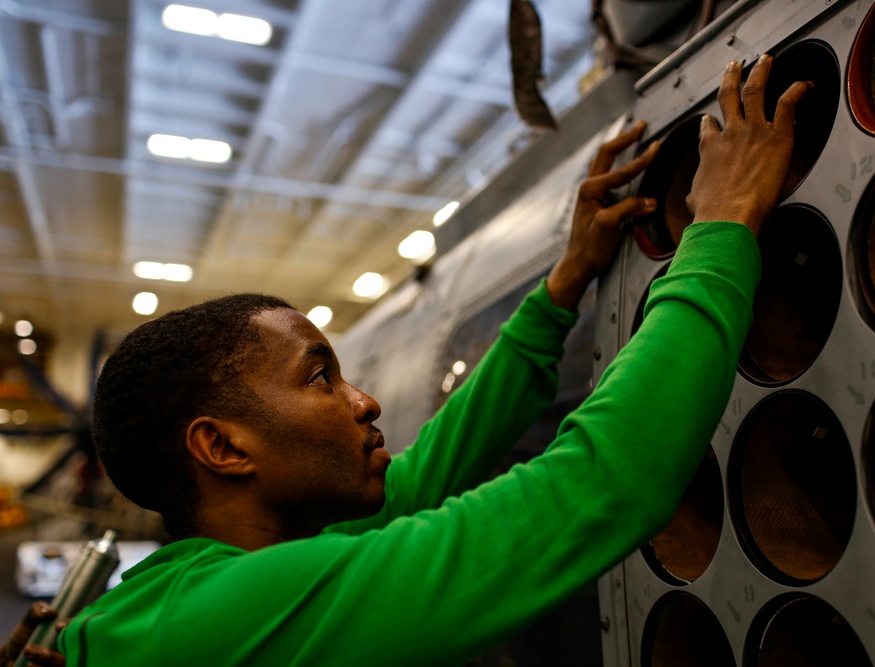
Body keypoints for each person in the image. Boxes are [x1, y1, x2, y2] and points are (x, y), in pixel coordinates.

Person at [55, 56, 806, 666]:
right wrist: (724, 224)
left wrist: (563, 283)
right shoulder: (241, 613)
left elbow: (429, 472)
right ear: (221, 446)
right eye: (320, 376)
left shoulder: (183, 588)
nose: (366, 401)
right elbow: (595, 484)